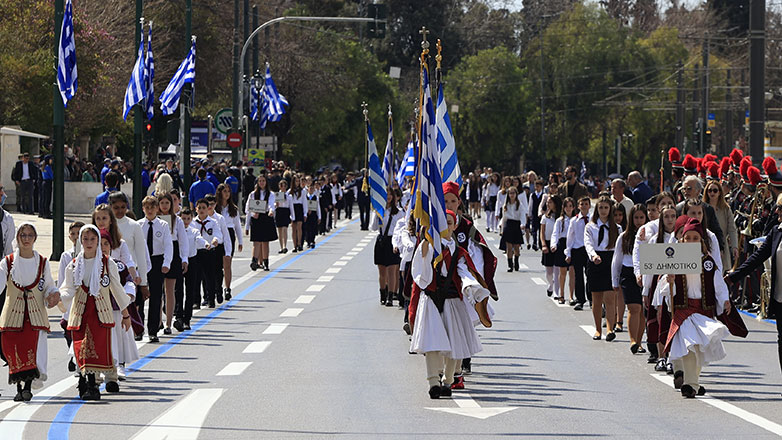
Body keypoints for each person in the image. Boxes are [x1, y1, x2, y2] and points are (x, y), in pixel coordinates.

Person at [408, 209, 489, 399]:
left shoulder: (459, 251)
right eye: (444, 223)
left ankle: (448, 380)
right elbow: (420, 274)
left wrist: (472, 288)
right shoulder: (426, 246)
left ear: (454, 226)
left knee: (455, 342)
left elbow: (465, 273)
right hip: (431, 299)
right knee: (431, 342)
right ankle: (433, 382)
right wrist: (426, 249)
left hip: (453, 300)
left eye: (451, 223)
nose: (448, 226)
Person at [662, 218, 732, 398]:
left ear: (700, 241)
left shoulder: (708, 262)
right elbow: (666, 288)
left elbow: (718, 284)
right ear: (682, 240)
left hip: (703, 310)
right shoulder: (674, 260)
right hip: (683, 311)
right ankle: (690, 384)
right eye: (688, 238)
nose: (691, 241)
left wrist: (725, 300)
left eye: (695, 238)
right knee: (689, 344)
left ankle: (693, 381)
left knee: (699, 347)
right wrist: (669, 281)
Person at [60, 225, 132, 401]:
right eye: (85, 239)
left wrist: (126, 314)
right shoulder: (74, 265)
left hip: (100, 312)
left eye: (93, 239)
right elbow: (68, 288)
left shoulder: (107, 263)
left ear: (98, 241)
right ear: (79, 241)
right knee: (82, 348)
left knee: (99, 348)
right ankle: (88, 382)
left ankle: (95, 383)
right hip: (81, 312)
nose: (89, 243)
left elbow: (116, 289)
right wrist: (58, 298)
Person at [726, 192, 782, 384]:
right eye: (777, 208)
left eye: (781, 209)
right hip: (779, 296)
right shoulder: (776, 231)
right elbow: (756, 258)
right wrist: (733, 277)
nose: (777, 211)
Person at [0, 223, 59, 401]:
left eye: (30, 235)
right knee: (14, 349)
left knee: (32, 349)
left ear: (35, 238)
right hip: (12, 313)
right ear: (17, 238)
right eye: (23, 235)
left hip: (35, 313)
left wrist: (53, 294)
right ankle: (19, 386)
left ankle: (27, 387)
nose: (26, 239)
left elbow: (49, 285)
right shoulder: (8, 262)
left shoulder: (42, 262)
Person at [98, 228, 138, 392]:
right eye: (98, 244)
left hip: (115, 308)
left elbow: (128, 281)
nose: (102, 247)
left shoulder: (118, 265)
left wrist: (129, 293)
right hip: (96, 311)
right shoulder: (84, 264)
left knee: (118, 340)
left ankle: (118, 365)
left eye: (106, 244)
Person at [611, 204, 648, 353]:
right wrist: (615, 280)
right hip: (628, 273)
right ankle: (632, 340)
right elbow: (617, 259)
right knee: (634, 307)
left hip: (646, 273)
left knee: (643, 310)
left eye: (641, 217)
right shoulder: (624, 236)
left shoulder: (650, 235)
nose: (639, 221)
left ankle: (639, 341)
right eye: (636, 218)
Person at [584, 197, 622, 341]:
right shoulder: (591, 226)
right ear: (597, 209)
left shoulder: (617, 228)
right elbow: (588, 244)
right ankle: (598, 329)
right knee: (597, 298)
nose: (603, 211)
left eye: (606, 208)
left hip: (610, 260)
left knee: (610, 297)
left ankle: (610, 328)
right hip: (595, 261)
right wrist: (593, 256)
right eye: (601, 208)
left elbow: (619, 248)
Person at [137, 196, 173, 343]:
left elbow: (168, 245)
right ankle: (138, 329)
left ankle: (153, 330)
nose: (150, 210)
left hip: (157, 261)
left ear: (157, 209)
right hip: (142, 262)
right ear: (143, 209)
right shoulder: (138, 225)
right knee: (139, 297)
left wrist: (167, 263)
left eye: (152, 207)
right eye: (147, 207)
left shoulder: (163, 225)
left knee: (156, 297)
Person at [157, 193, 189, 334]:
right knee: (157, 291)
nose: (164, 206)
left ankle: (168, 323)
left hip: (174, 253)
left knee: (170, 290)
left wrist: (184, 259)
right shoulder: (154, 220)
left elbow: (183, 241)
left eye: (167, 203)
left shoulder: (177, 220)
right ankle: (157, 320)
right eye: (162, 203)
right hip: (158, 252)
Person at [371, 189, 405, 307]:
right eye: (386, 195)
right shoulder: (379, 211)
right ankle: (382, 294)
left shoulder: (399, 212)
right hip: (381, 241)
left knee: (392, 270)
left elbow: (402, 228)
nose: (389, 197)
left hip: (393, 241)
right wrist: (377, 215)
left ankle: (391, 296)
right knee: (382, 271)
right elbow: (373, 228)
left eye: (390, 195)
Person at [193, 199, 223, 308]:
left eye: (203, 208)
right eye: (199, 208)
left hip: (209, 251)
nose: (201, 210)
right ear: (196, 209)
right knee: (196, 278)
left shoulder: (213, 222)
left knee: (210, 277)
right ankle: (196, 300)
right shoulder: (192, 222)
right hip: (196, 252)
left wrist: (215, 240)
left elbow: (218, 234)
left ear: (207, 209)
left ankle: (210, 299)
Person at [704, 179, 738, 272]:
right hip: (705, 245)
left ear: (719, 193)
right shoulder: (702, 208)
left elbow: (732, 228)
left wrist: (735, 246)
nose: (712, 193)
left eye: (715, 190)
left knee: (720, 273)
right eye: (709, 190)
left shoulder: (726, 209)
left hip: (721, 245)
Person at [216, 184, 242, 301]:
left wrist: (240, 241)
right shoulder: (215, 208)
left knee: (227, 263)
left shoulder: (233, 209)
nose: (227, 193)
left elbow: (237, 226)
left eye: (228, 191)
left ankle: (227, 288)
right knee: (217, 265)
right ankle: (217, 288)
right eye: (224, 191)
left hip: (229, 234)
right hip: (218, 234)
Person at [245, 174, 277, 271]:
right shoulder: (253, 194)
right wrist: (252, 215)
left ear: (266, 182)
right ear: (257, 183)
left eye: (263, 181)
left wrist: (271, 211)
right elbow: (248, 208)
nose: (262, 183)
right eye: (260, 181)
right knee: (256, 241)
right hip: (256, 218)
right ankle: (254, 261)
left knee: (265, 242)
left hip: (266, 217)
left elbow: (271, 204)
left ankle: (266, 262)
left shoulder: (270, 194)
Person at [565, 196, 591, 310]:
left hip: (589, 250)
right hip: (578, 249)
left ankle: (592, 299)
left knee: (590, 275)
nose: (584, 206)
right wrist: (568, 253)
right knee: (578, 276)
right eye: (582, 204)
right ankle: (580, 299)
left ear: (589, 206)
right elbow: (570, 237)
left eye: (586, 204)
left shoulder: (593, 220)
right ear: (578, 206)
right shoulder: (574, 220)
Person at [551, 197, 575, 305]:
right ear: (563, 208)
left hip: (573, 245)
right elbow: (555, 233)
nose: (568, 208)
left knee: (573, 272)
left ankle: (571, 296)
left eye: (570, 206)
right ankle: (561, 294)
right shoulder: (560, 221)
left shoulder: (576, 220)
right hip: (562, 244)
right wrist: (553, 245)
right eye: (566, 206)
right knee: (563, 272)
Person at [540, 195, 561, 296]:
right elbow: (542, 232)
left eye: (550, 202)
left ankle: (557, 291)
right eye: (547, 202)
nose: (548, 204)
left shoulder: (561, 217)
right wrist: (543, 244)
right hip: (548, 243)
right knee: (549, 270)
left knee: (557, 269)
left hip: (557, 243)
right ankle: (550, 283)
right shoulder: (545, 217)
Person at [502, 187, 526, 272]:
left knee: (516, 247)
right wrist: (502, 227)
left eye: (513, 193)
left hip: (516, 225)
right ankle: (510, 265)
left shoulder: (519, 205)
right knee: (509, 247)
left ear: (516, 194)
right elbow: (504, 217)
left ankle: (516, 261)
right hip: (508, 225)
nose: (512, 195)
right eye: (510, 193)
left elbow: (523, 214)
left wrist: (523, 224)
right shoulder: (505, 205)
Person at [275, 179, 293, 254]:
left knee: (284, 229)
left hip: (285, 212)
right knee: (279, 230)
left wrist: (293, 217)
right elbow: (273, 205)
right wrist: (276, 205)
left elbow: (291, 207)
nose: (283, 188)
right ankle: (281, 247)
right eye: (281, 186)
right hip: (279, 211)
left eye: (284, 186)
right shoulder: (276, 195)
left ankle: (284, 246)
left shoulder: (289, 196)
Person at [289, 176, 306, 252]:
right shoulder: (289, 192)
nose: (297, 183)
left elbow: (304, 202)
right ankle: (294, 245)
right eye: (296, 181)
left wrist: (305, 213)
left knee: (299, 227)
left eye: (298, 181)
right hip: (292, 208)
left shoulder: (302, 191)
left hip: (299, 208)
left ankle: (299, 244)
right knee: (293, 228)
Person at [303, 179, 321, 248]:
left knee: (313, 228)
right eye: (310, 188)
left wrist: (319, 217)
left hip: (313, 214)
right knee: (307, 228)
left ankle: (312, 241)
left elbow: (318, 207)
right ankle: (308, 241)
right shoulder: (305, 197)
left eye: (312, 188)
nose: (311, 190)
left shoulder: (315, 197)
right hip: (307, 215)